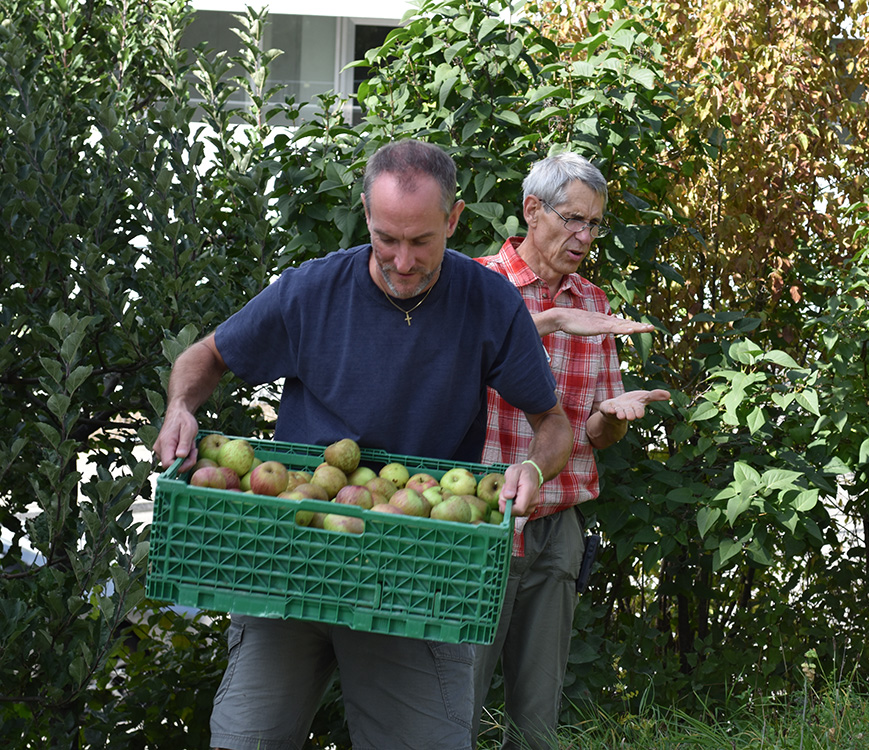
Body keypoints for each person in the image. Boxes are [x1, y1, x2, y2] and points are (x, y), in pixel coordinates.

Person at [152, 139, 573, 750]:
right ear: (366, 216)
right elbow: (205, 357)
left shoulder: (489, 305)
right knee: (247, 739)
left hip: (416, 566)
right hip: (294, 556)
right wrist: (181, 408)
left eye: (422, 241)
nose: (402, 261)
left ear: (453, 221)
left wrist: (533, 467)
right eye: (386, 238)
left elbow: (553, 423)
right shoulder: (311, 292)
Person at [472, 152, 672, 750]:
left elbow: (592, 434)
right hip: (480, 521)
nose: (584, 237)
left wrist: (612, 419)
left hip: (558, 528)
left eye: (594, 225)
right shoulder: (477, 284)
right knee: (450, 704)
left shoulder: (595, 301)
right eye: (573, 220)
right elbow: (460, 363)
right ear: (533, 211)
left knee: (536, 724)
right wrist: (552, 319)